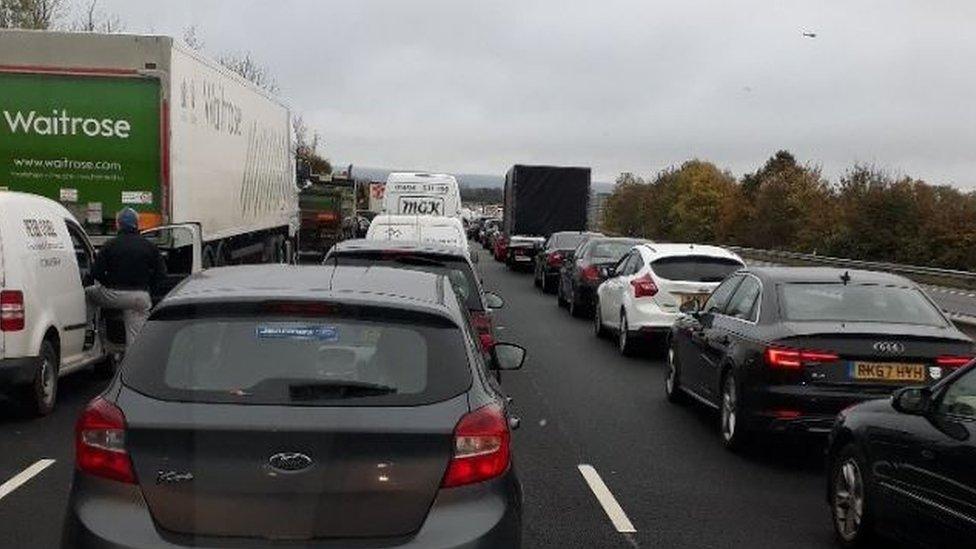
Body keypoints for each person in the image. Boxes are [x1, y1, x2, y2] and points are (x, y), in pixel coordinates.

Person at [87, 208, 166, 345]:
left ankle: (88, 329)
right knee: (136, 340)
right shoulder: (149, 246)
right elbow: (161, 274)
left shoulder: (110, 245)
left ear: (118, 225)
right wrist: (148, 289)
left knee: (88, 293)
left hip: (113, 296)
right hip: (139, 297)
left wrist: (108, 284)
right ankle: (134, 364)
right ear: (137, 224)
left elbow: (96, 272)